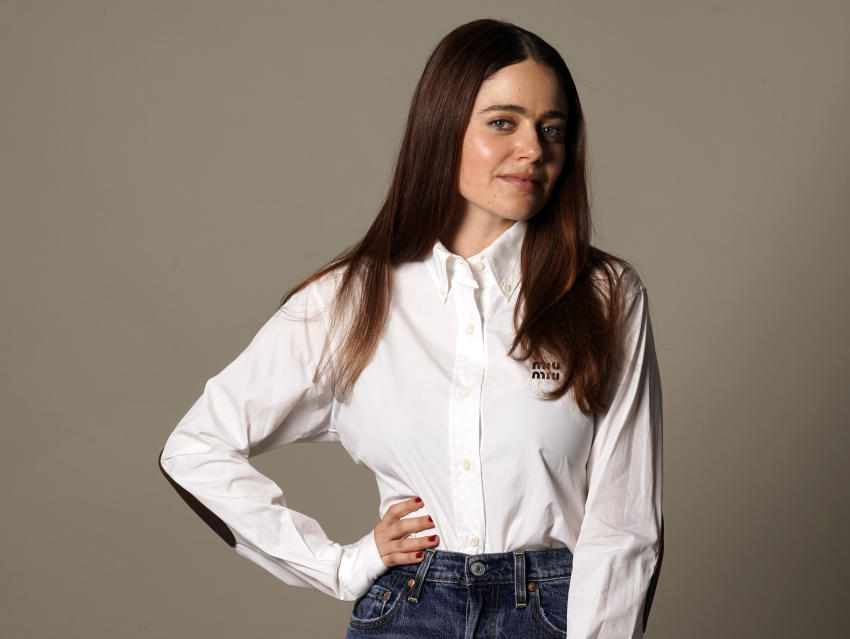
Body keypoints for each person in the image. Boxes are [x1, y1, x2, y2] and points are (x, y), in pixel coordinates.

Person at [158, 17, 663, 639]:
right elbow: (195, 449)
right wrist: (341, 567)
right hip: (409, 613)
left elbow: (624, 524)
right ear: (443, 127)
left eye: (551, 129)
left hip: (556, 614)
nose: (533, 148)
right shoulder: (351, 299)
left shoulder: (605, 296)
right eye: (503, 122)